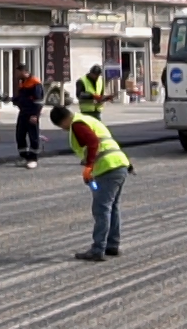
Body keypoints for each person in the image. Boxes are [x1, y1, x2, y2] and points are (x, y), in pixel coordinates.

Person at [51, 104, 131, 262]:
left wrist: (89, 166)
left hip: (107, 167)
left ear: (62, 122)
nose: (64, 130)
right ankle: (112, 245)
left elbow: (93, 143)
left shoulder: (77, 125)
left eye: (61, 127)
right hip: (120, 164)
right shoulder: (88, 119)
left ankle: (98, 249)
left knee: (101, 209)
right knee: (112, 207)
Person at [10, 65, 45, 168]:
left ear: (24, 72)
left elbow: (39, 101)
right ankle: (24, 157)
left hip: (31, 114)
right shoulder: (23, 83)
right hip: (23, 113)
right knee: (20, 135)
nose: (16, 75)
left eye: (18, 72)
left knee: (33, 136)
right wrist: (12, 100)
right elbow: (22, 98)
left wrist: (35, 115)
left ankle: (33, 159)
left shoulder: (35, 83)